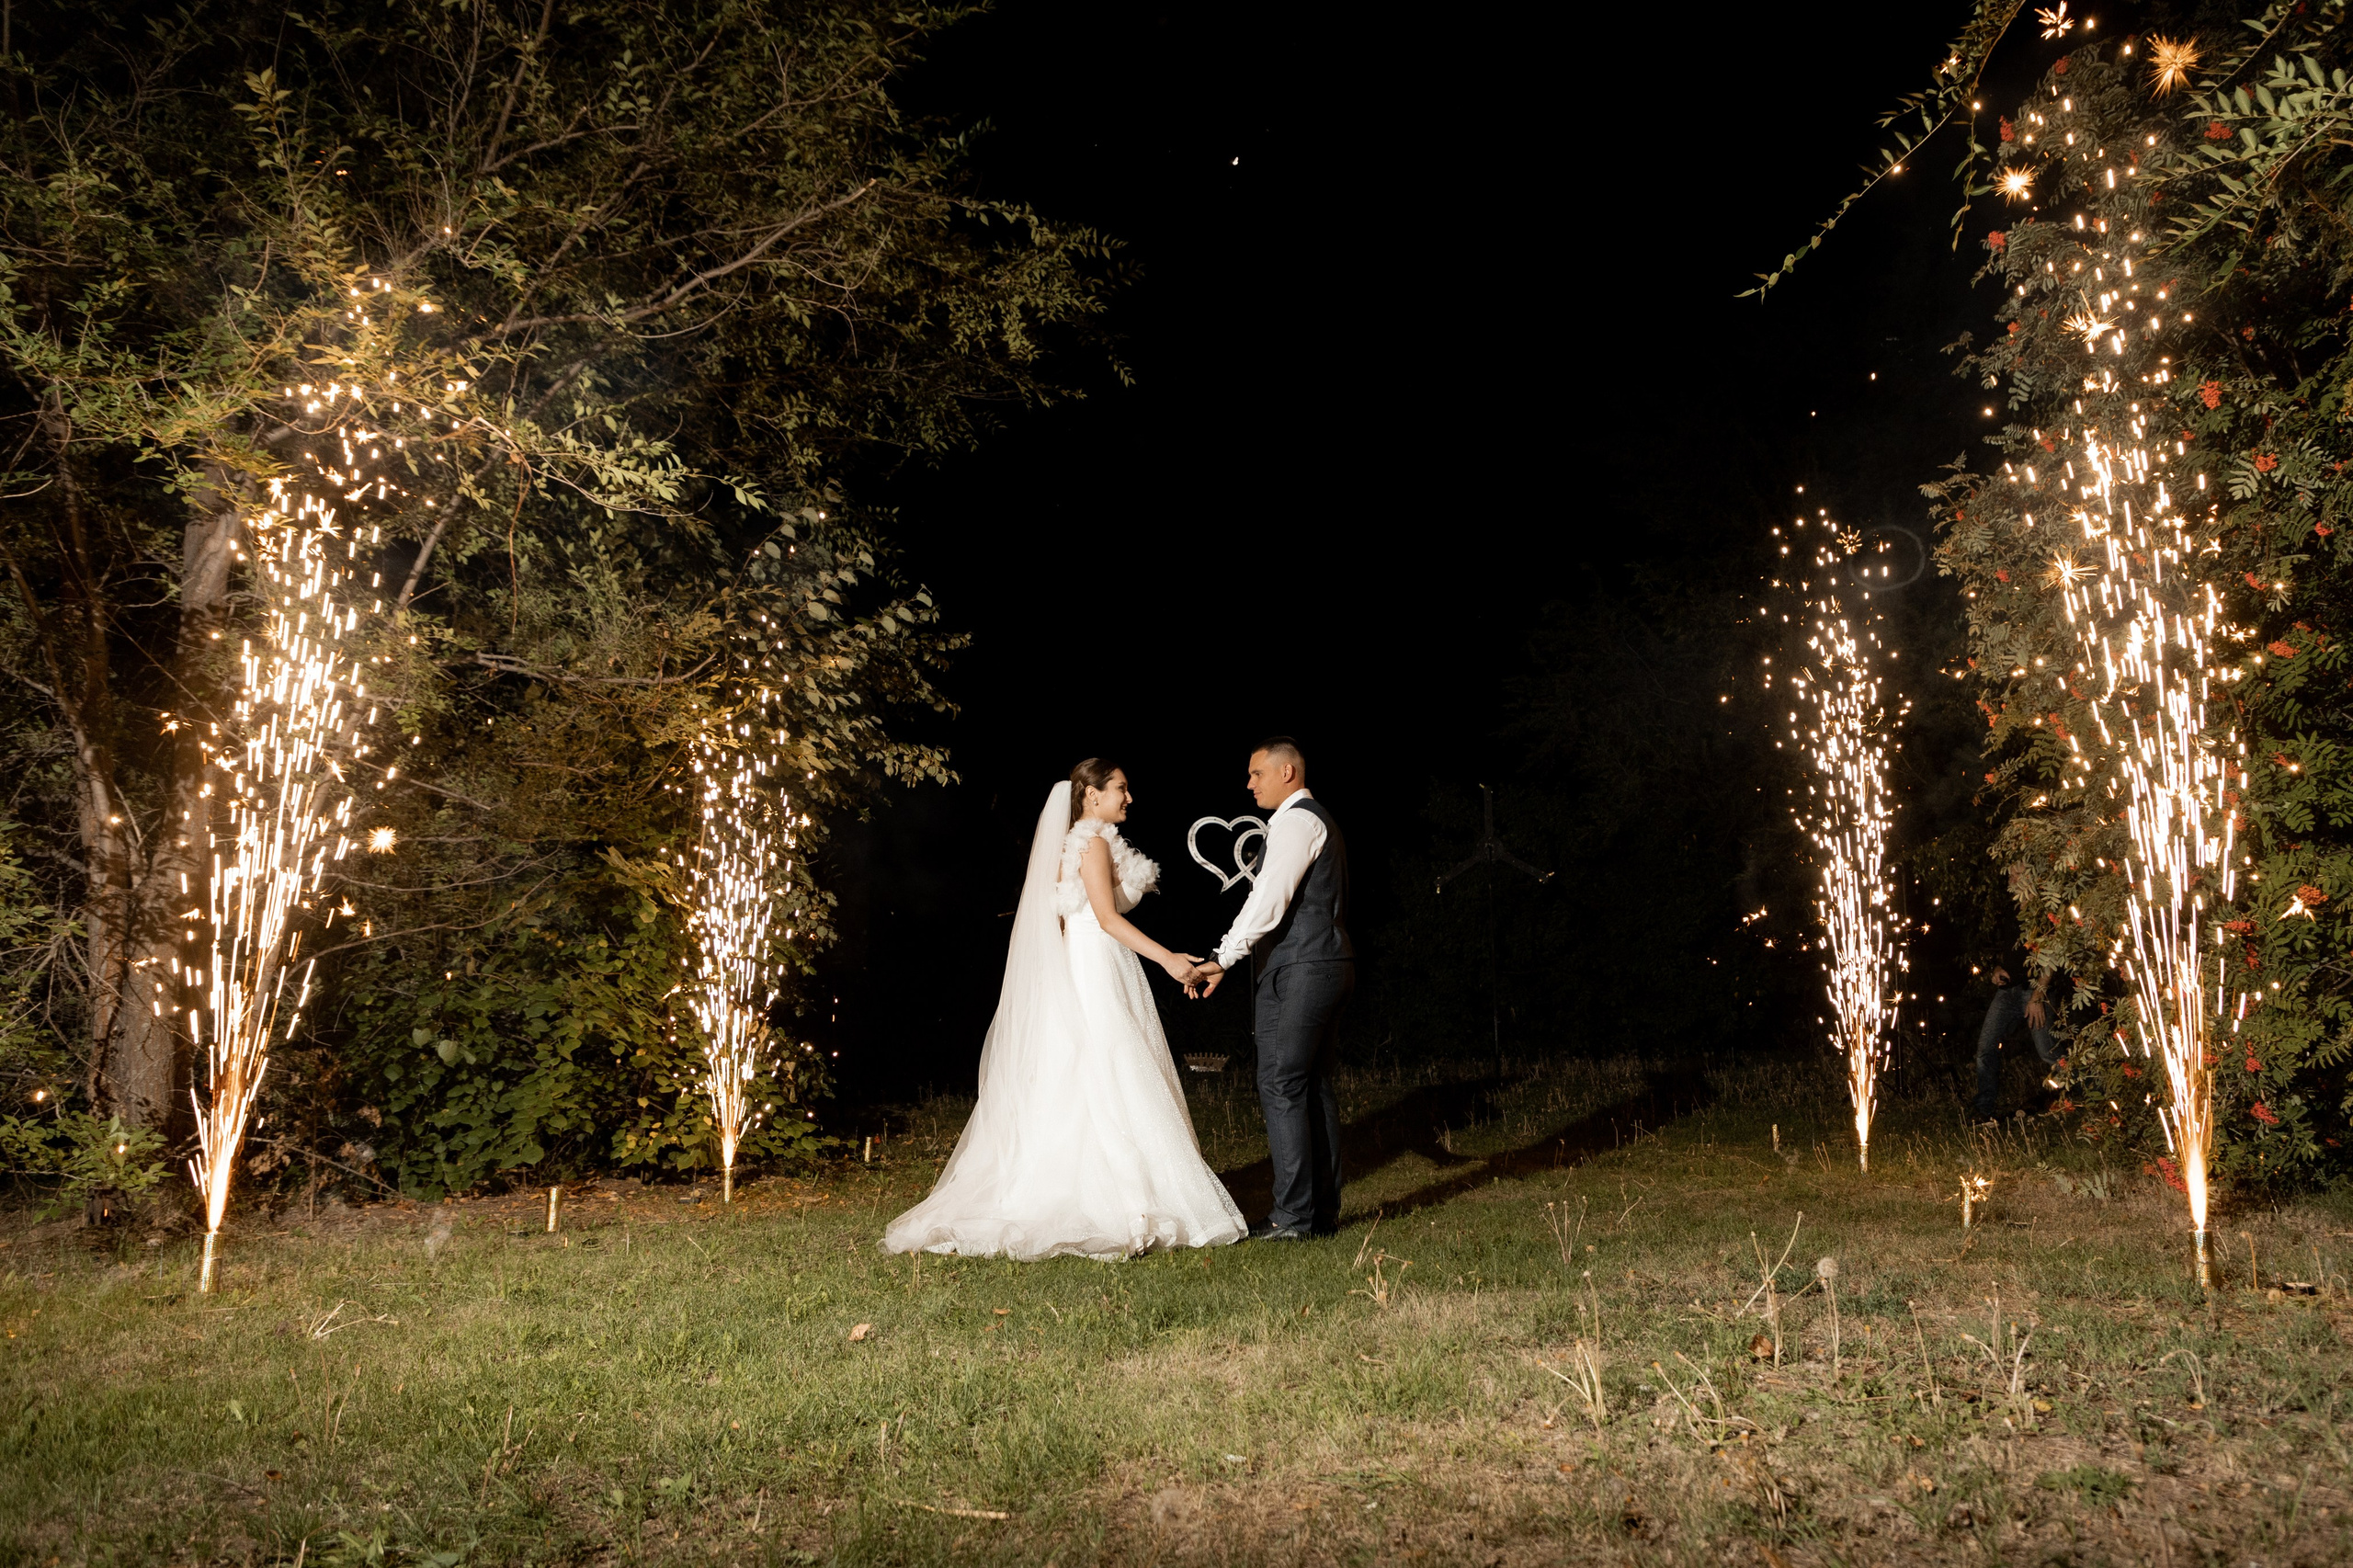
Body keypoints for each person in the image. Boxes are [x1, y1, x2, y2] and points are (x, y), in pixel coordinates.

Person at [881, 759, 1246, 1260]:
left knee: (1096, 1069)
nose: (1129, 797)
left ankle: (1110, 1189)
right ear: (1091, 796)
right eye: (1121, 788)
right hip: (1098, 962)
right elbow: (1106, 918)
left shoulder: (1082, 842)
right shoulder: (1091, 844)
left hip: (1089, 960)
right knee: (1112, 1065)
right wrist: (1168, 959)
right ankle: (1125, 1198)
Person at [1194, 737, 1352, 1241]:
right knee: (1310, 1084)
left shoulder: (1297, 821)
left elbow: (1269, 899)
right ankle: (1320, 1214)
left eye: (1255, 773)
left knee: (1281, 1083)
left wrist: (1222, 956)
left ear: (1287, 772)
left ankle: (1293, 1217)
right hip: (1323, 962)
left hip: (1303, 966)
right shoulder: (1309, 820)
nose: (1248, 783)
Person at [1969, 944, 2066, 1122]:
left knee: (2049, 1052)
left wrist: (2037, 997)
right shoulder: (2008, 915)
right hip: (2008, 991)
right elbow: (2011, 951)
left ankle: (2082, 1097)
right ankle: (1984, 1110)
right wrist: (1999, 967)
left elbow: (2053, 954)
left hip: (2036, 991)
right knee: (1986, 1048)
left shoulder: (2040, 916)